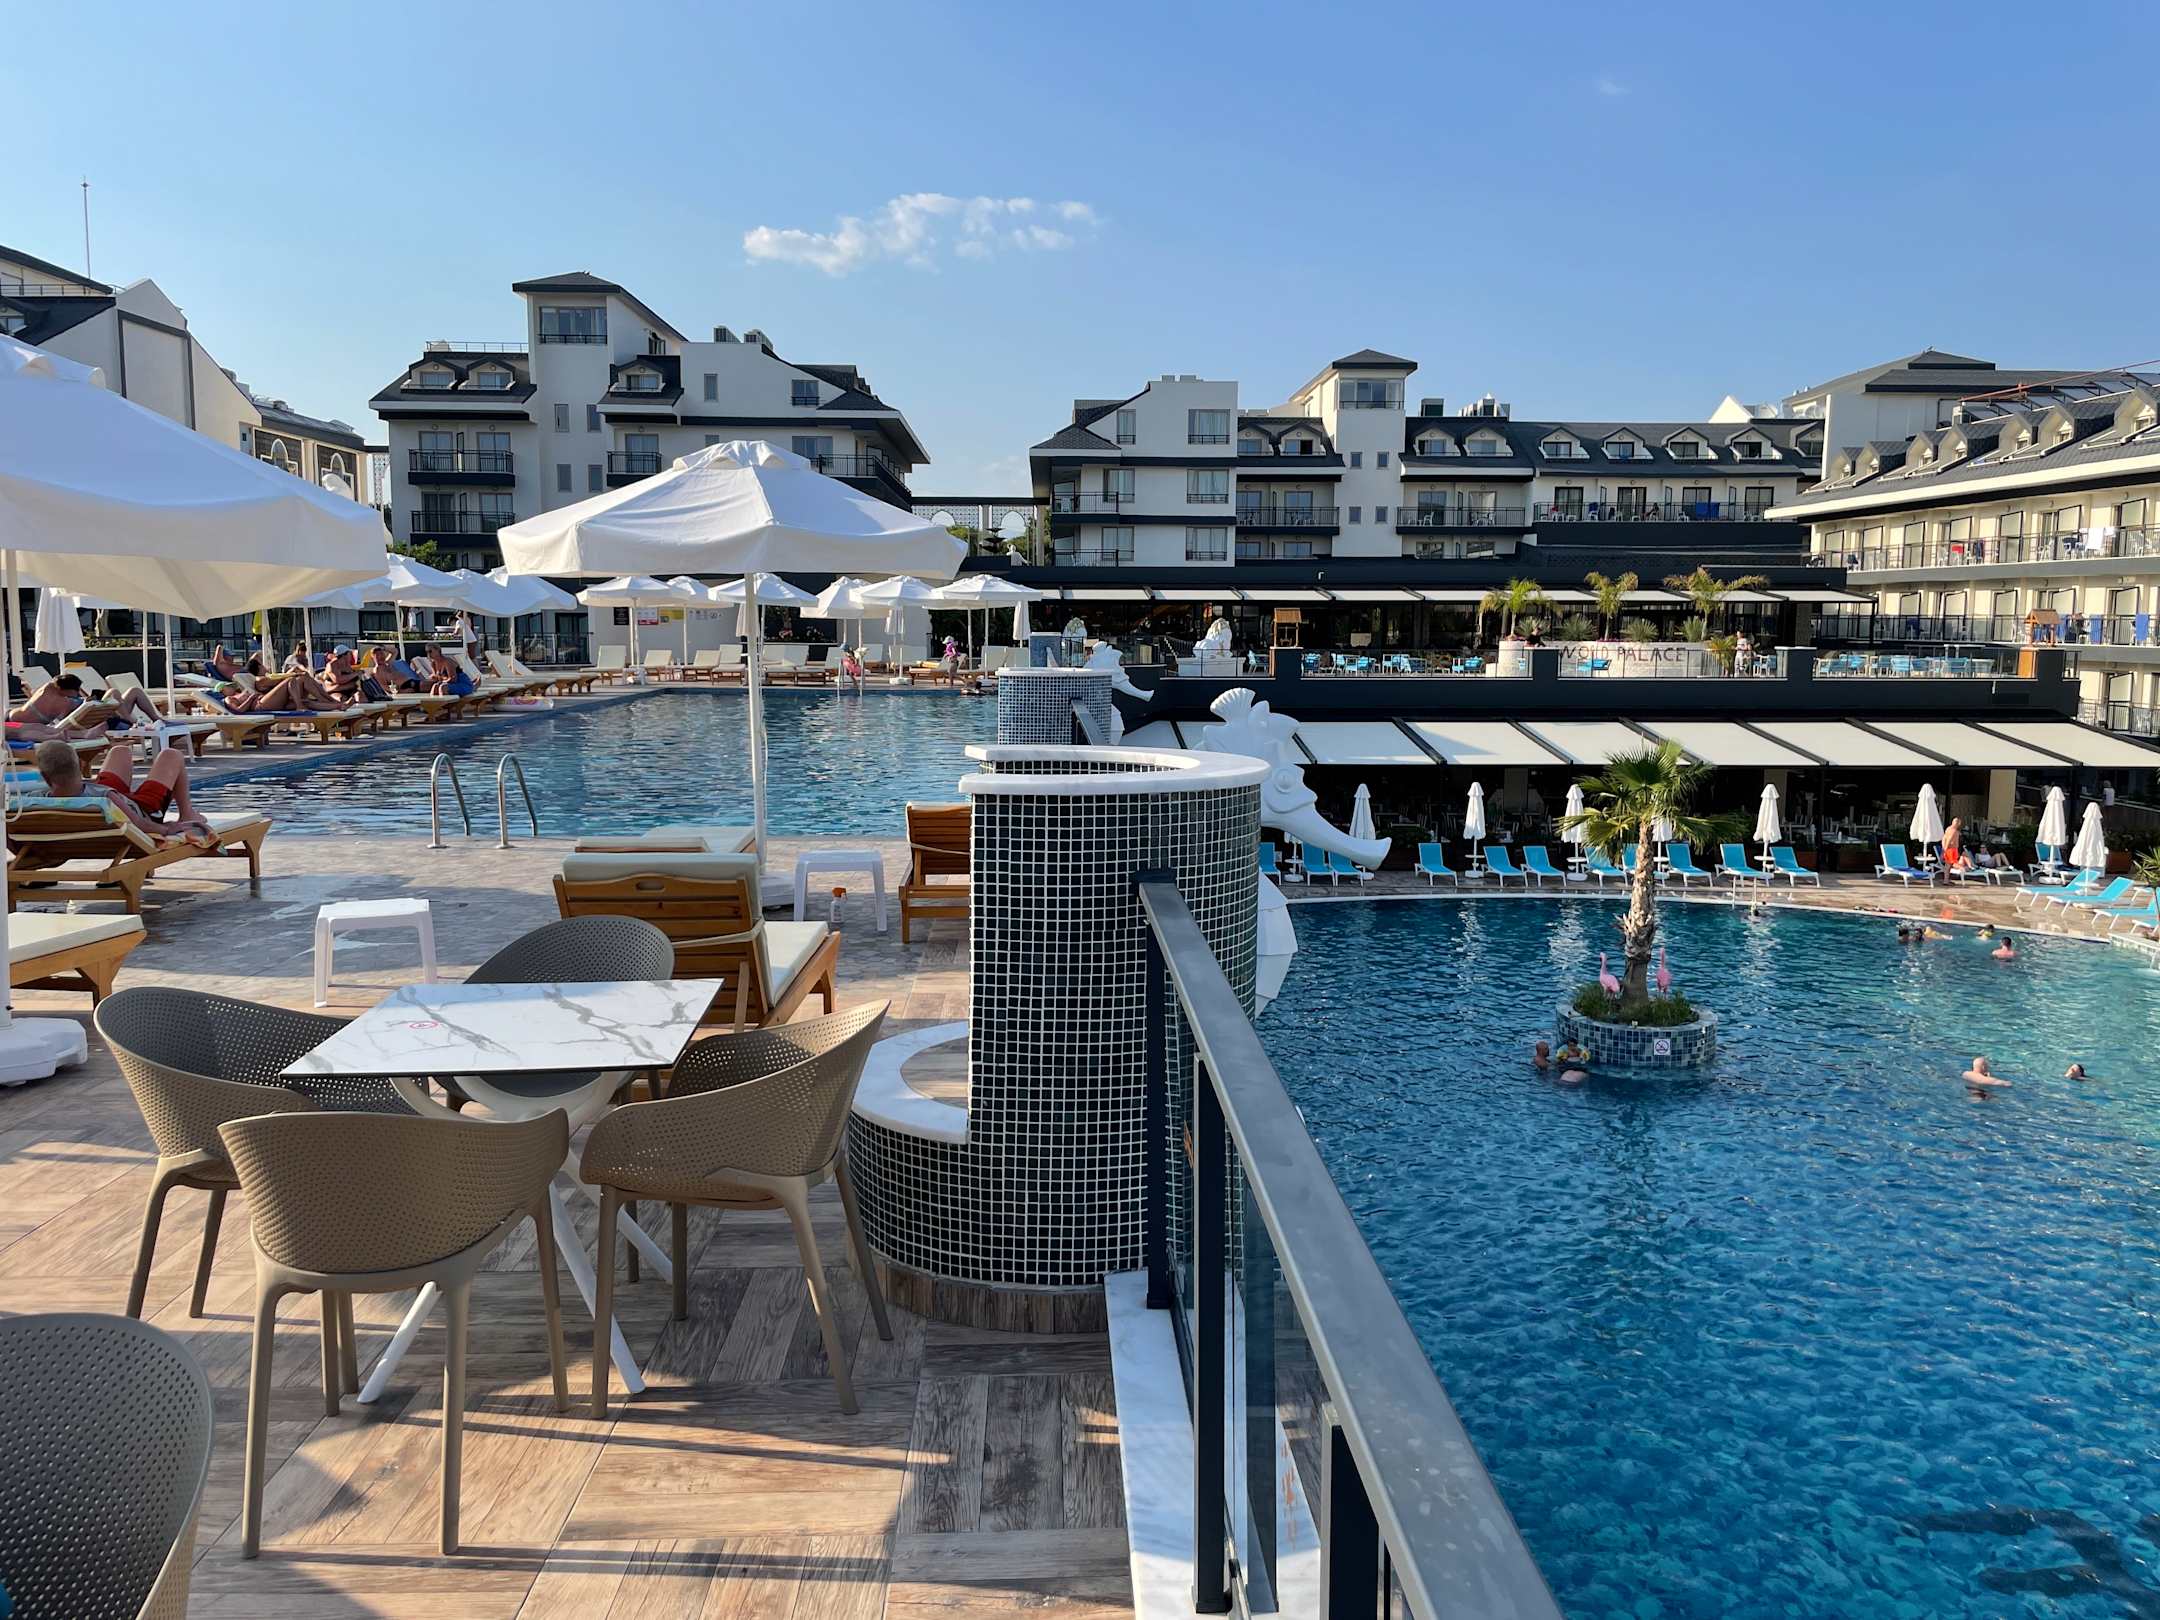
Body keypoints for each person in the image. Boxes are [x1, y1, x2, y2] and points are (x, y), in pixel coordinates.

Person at [31, 735, 212, 844]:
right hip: (141, 809)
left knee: (120, 751)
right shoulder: (105, 798)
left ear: (45, 777)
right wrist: (168, 829)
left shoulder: (34, 800)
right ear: (80, 765)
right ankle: (187, 813)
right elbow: (140, 825)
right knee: (171, 755)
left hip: (103, 802)